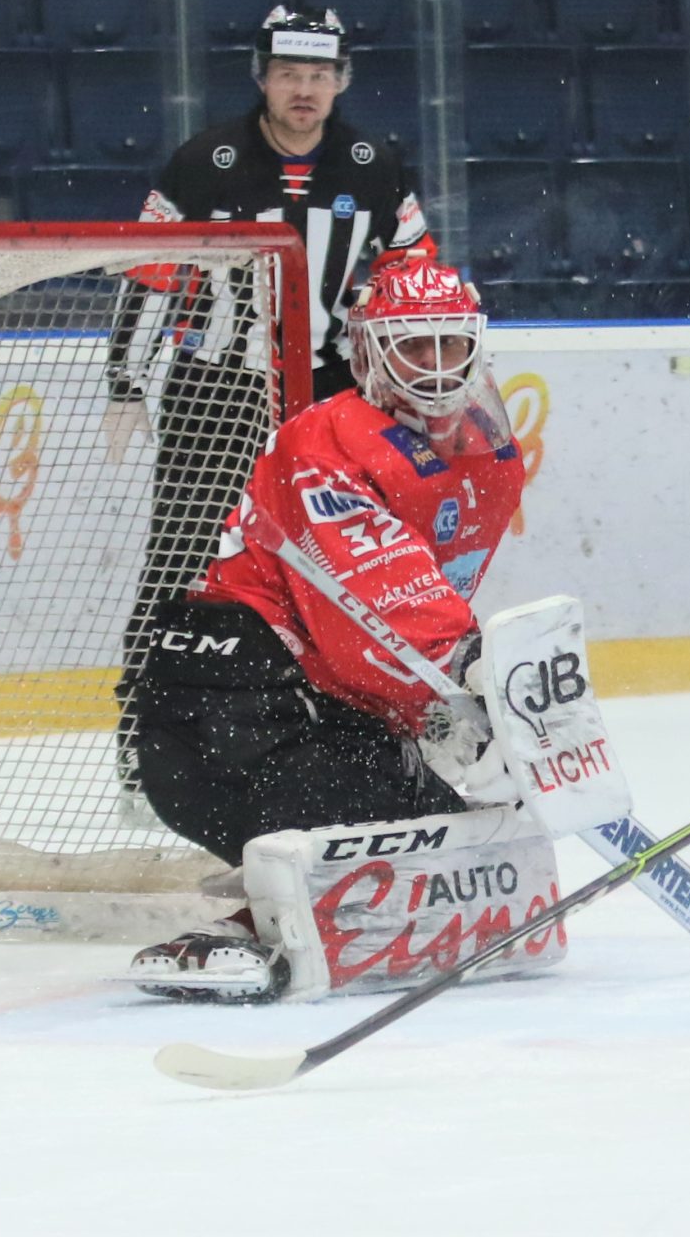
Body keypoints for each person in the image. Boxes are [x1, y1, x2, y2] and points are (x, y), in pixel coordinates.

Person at [120, 250, 526, 1002]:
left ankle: (287, 890)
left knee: (450, 842)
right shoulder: (328, 440)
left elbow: (406, 614)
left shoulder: (487, 447)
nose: (437, 365)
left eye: (451, 343)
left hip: (318, 705)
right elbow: (377, 610)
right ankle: (260, 917)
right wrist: (467, 675)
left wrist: (450, 707)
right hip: (219, 719)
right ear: (370, 349)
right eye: (415, 345)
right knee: (370, 822)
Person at [105, 5, 438, 813]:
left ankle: (357, 734)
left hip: (331, 397)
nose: (304, 90)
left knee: (347, 566)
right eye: (290, 74)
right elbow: (147, 274)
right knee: (182, 559)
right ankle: (141, 741)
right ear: (263, 77)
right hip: (215, 390)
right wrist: (124, 383)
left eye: (320, 75)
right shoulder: (205, 161)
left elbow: (413, 278)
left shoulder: (376, 165)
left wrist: (414, 388)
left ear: (342, 81)